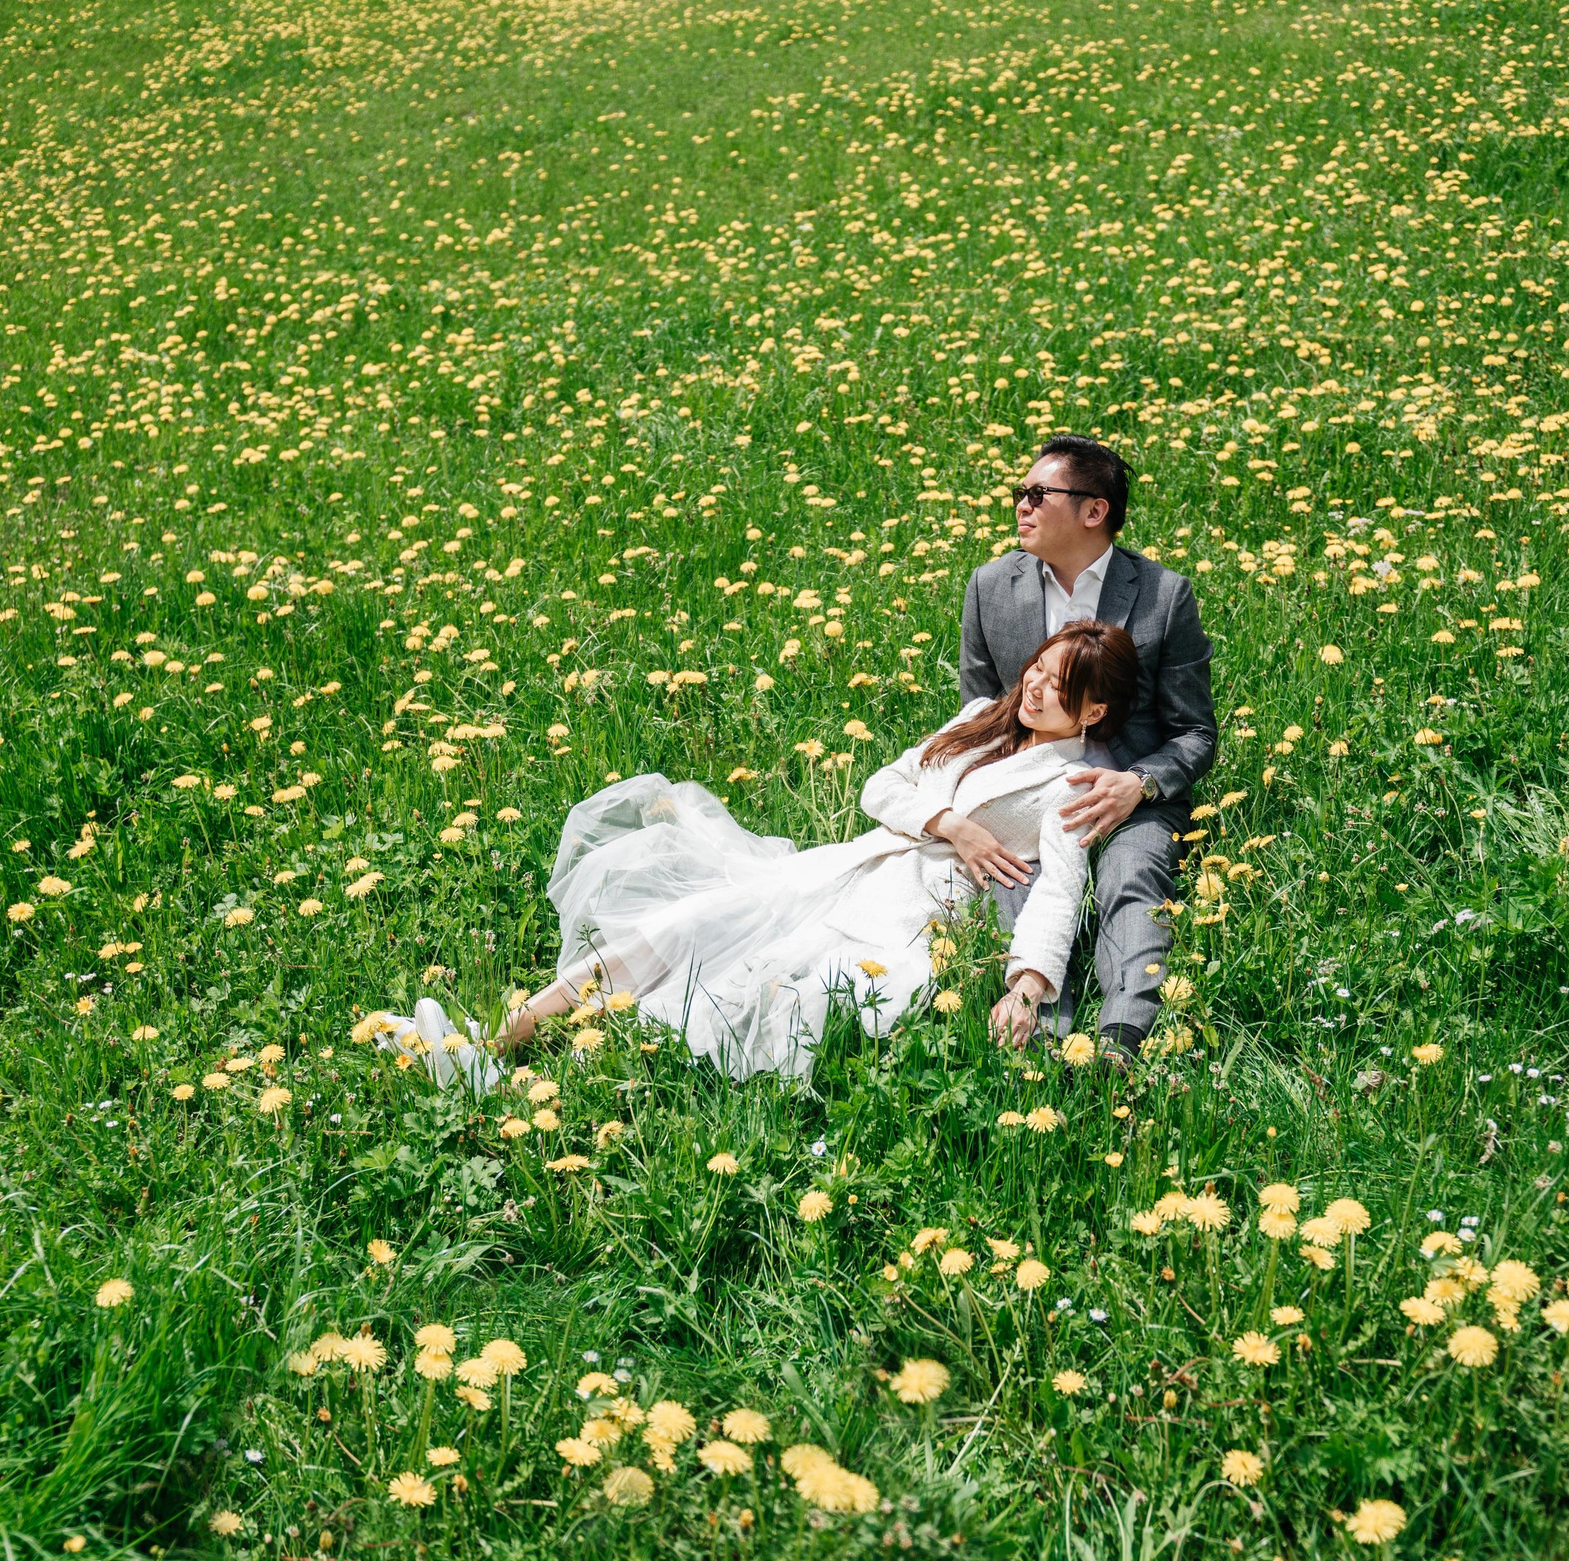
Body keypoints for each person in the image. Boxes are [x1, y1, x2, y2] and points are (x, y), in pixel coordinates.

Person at [372, 623, 1142, 1086]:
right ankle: (495, 1041)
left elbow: (1057, 887)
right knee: (678, 925)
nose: (1033, 689)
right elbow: (883, 786)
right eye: (1035, 671)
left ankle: (517, 1086)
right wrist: (951, 821)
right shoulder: (983, 715)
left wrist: (1028, 985)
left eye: (1056, 686)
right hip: (842, 866)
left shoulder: (1071, 782)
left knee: (739, 993)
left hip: (905, 914)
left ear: (1094, 710)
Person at [958, 434, 1215, 1060]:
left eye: (1037, 494)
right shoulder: (991, 586)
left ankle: (1120, 1042)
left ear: (1093, 510)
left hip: (1127, 790)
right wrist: (969, 815)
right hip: (1031, 787)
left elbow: (1197, 733)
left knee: (1132, 878)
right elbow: (978, 711)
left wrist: (1141, 785)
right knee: (1018, 878)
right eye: (1021, 493)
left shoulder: (1163, 594)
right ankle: (1038, 1028)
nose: (1020, 505)